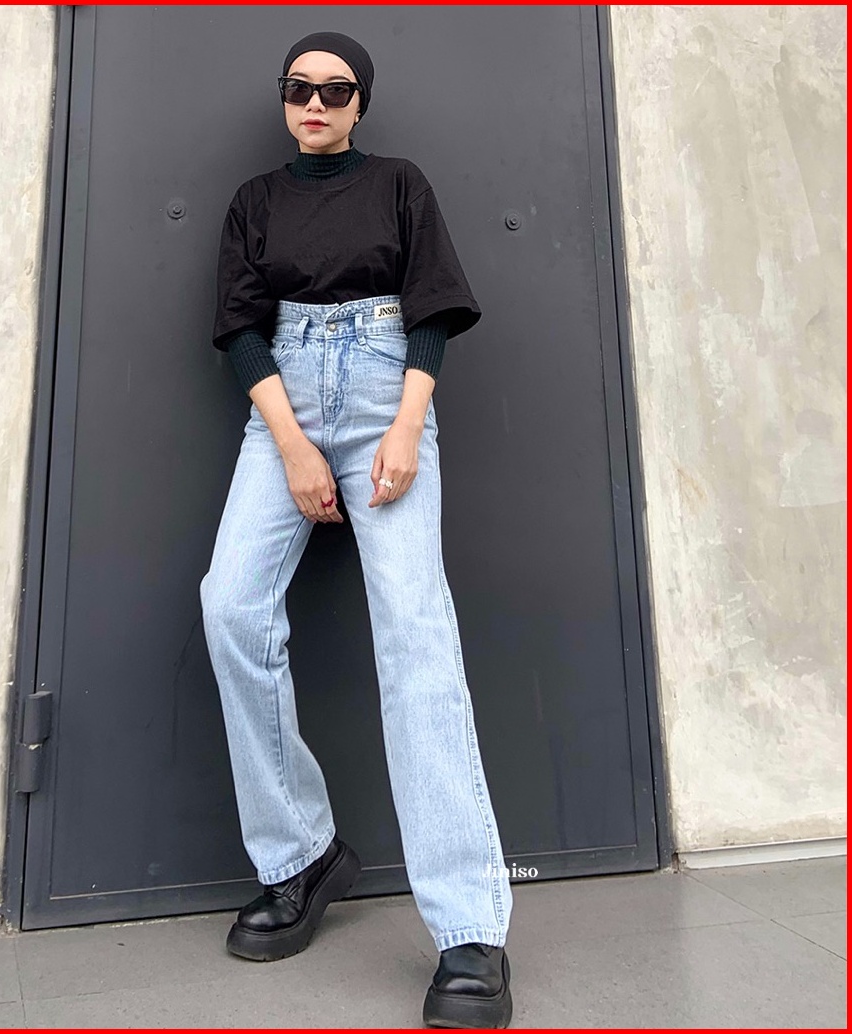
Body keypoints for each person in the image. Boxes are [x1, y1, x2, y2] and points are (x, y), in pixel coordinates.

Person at [199, 30, 514, 1029]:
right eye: (299, 87)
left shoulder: (399, 184)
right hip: (283, 405)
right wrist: (294, 447)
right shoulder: (256, 200)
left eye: (335, 90)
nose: (315, 103)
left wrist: (407, 426)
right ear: (283, 97)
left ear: (360, 102)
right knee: (229, 606)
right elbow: (239, 326)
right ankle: (300, 855)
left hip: (387, 394)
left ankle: (469, 929)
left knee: (415, 632)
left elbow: (433, 309)